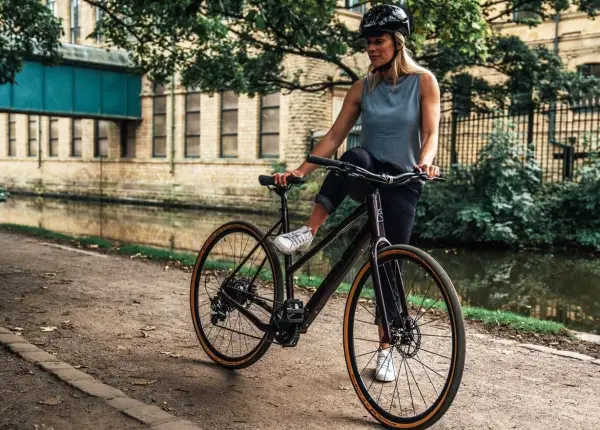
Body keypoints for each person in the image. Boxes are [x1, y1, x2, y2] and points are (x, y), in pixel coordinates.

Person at [272, 4, 441, 382]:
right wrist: (301, 170)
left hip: (403, 182)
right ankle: (308, 231)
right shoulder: (362, 88)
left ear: (397, 43)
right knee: (353, 153)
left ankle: (385, 350)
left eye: (379, 41)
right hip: (367, 174)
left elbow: (430, 134)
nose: (372, 48)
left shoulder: (424, 82)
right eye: (368, 42)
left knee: (388, 263)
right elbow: (333, 136)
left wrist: (425, 163)